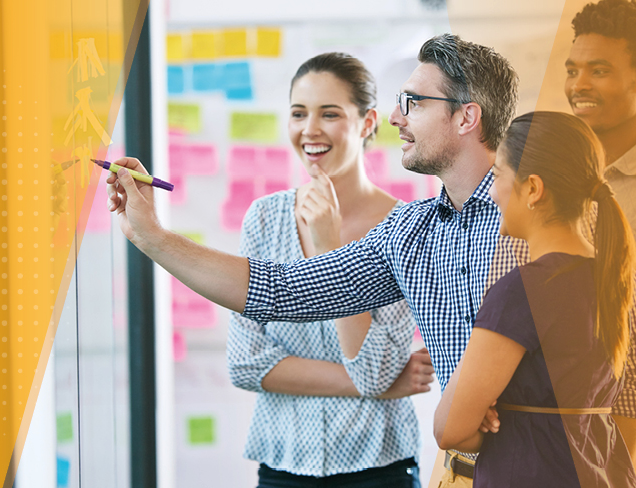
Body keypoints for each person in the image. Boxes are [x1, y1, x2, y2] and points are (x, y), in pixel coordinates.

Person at [106, 34, 521, 486]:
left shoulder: (534, 217)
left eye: (414, 102)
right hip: (459, 474)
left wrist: (474, 410)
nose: (398, 117)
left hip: (532, 463)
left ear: (467, 117)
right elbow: (278, 291)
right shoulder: (410, 232)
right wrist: (152, 236)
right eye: (299, 113)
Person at [228, 53, 433, 487]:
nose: (310, 129)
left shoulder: (405, 227)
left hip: (379, 469)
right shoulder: (263, 219)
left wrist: (329, 248)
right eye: (299, 113)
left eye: (330, 114)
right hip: (283, 467)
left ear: (366, 121)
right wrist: (383, 385)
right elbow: (245, 364)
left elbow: (375, 369)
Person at [433, 111, 636, 487]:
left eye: (497, 176)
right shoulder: (614, 278)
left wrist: (492, 419)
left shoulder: (521, 291)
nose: (491, 192)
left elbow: (449, 429)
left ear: (533, 189)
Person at [563, 0, 636, 460]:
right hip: (565, 438)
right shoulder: (549, 179)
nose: (579, 85)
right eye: (573, 70)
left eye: (600, 70)